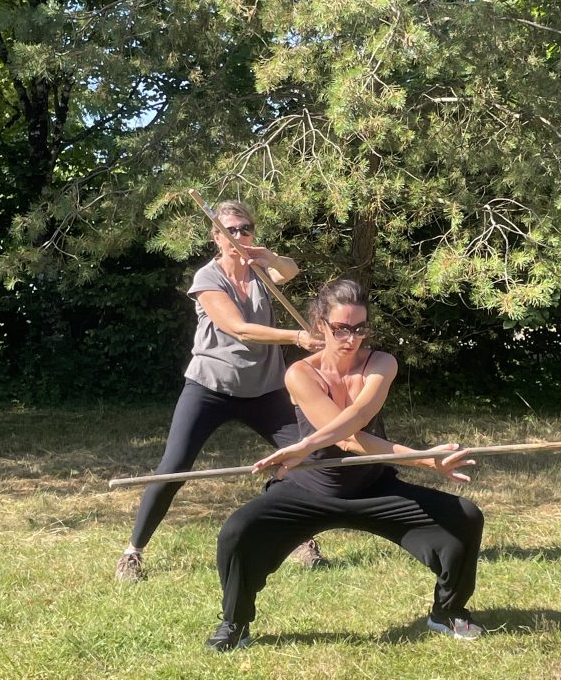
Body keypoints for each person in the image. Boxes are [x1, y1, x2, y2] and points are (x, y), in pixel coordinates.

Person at [205, 277, 485, 652]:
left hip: (373, 488)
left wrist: (305, 445)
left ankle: (447, 612)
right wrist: (422, 458)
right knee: (238, 533)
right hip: (310, 490)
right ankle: (235, 623)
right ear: (321, 324)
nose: (351, 338)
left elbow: (357, 418)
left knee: (464, 517)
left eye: (359, 328)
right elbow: (345, 438)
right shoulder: (300, 374)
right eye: (340, 329)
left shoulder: (381, 363)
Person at [115, 200, 326, 581]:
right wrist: (297, 336)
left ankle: (299, 537)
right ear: (216, 237)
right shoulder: (208, 279)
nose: (238, 236)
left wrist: (270, 257)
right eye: (230, 231)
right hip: (211, 387)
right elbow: (239, 328)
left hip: (264, 389)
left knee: (304, 457)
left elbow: (290, 272)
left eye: (245, 229)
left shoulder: (260, 271)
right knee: (173, 469)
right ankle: (133, 552)